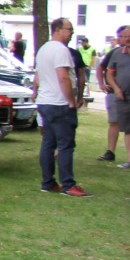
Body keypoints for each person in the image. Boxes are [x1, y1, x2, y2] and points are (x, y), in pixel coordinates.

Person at [35, 17, 89, 196]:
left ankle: (48, 182)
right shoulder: (60, 50)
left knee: (48, 143)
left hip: (45, 101)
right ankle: (68, 185)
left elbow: (38, 77)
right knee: (66, 145)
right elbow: (63, 77)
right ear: (58, 30)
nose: (71, 32)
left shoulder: (43, 49)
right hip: (59, 103)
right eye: (69, 29)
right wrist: (71, 100)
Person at [96, 25, 130, 164]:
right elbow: (105, 70)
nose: (127, 39)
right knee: (119, 124)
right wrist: (113, 88)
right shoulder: (116, 53)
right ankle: (112, 152)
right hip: (120, 96)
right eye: (124, 36)